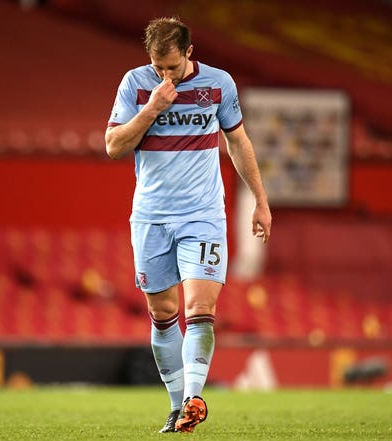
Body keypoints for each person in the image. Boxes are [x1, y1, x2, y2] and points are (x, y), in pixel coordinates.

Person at [105, 16, 271, 433]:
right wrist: (152, 107)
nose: (164, 75)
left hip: (203, 214)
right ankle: (179, 407)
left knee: (200, 308)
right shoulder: (135, 84)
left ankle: (194, 397)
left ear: (190, 53)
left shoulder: (219, 84)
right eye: (157, 66)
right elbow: (113, 146)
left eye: (172, 68)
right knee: (163, 313)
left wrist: (260, 201)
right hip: (150, 216)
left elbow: (238, 141)